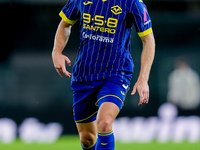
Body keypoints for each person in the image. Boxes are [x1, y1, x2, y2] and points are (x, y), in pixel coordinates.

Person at [52, 0, 155, 149]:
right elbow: (65, 24)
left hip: (116, 74)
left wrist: (143, 79)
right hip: (84, 75)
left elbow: (148, 40)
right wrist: (57, 52)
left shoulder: (132, 3)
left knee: (104, 123)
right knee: (87, 139)